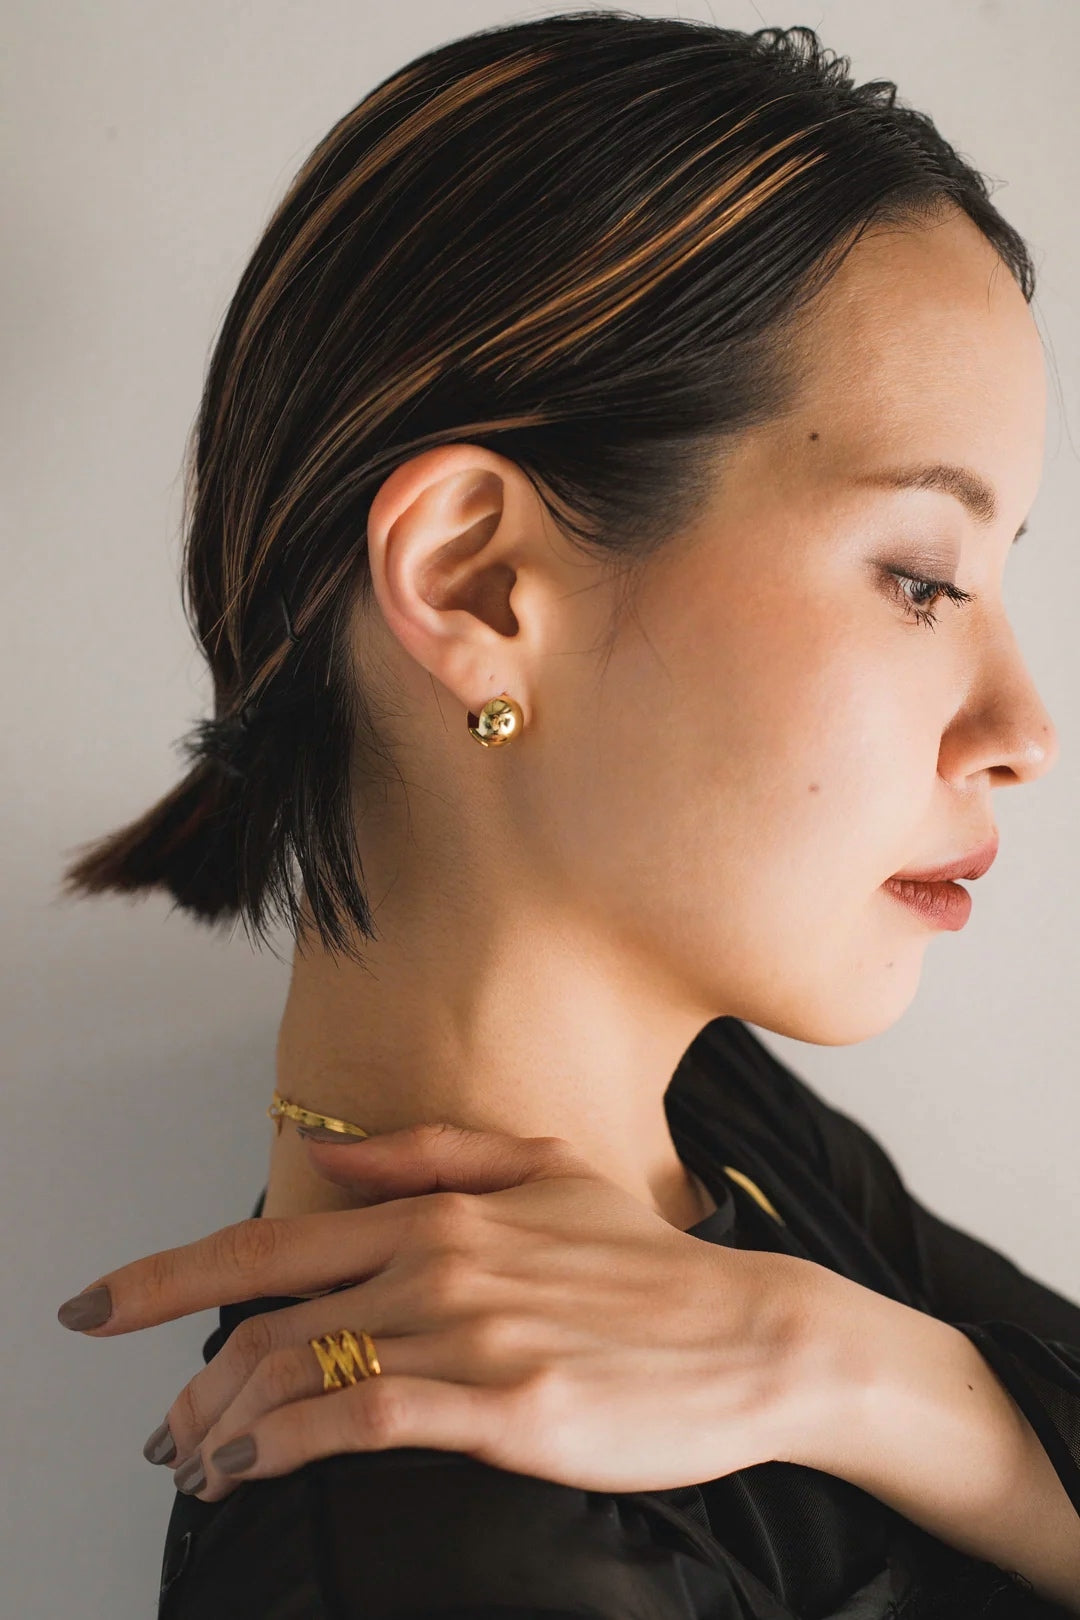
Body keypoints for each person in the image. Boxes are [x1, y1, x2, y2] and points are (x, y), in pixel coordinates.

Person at [56, 12, 1079, 1618]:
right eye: (921, 579)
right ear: (476, 580)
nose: (1027, 735)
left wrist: (863, 1372)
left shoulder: (727, 1130)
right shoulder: (438, 1558)